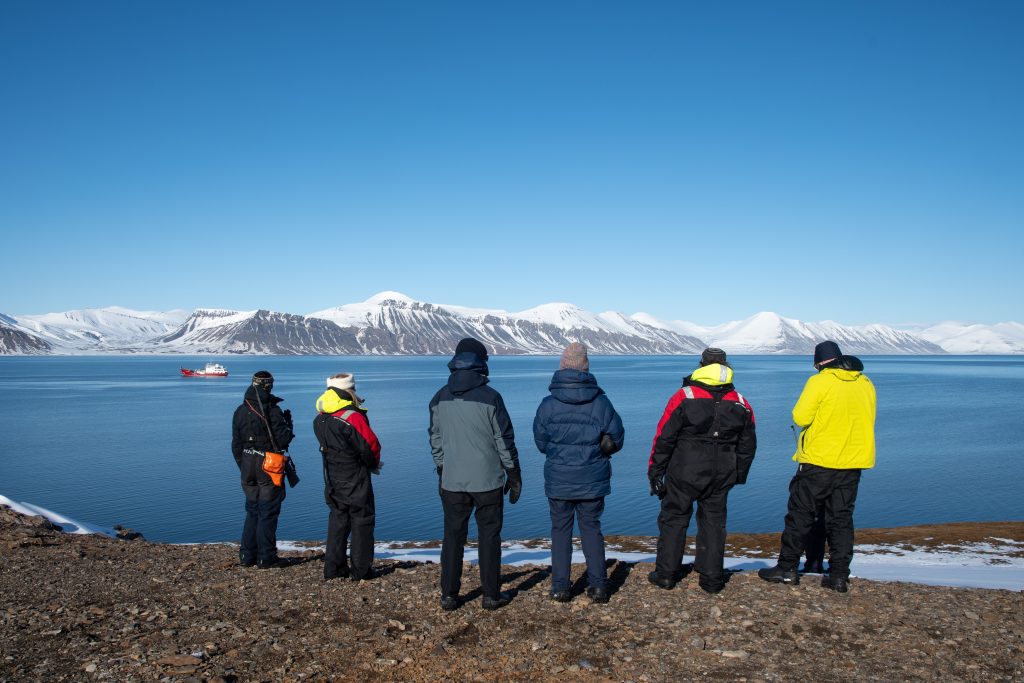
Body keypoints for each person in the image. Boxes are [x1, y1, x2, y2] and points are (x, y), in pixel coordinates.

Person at [759, 341, 876, 593]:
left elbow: (800, 417)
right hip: (853, 461)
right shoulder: (865, 383)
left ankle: (787, 568)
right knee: (841, 519)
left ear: (820, 362)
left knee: (800, 514)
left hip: (819, 461)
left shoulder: (820, 382)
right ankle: (838, 575)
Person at [647, 348, 756, 594]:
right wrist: (739, 473)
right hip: (722, 473)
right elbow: (748, 444)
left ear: (701, 365)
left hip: (684, 470)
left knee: (674, 519)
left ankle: (666, 574)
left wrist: (655, 473)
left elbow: (664, 437)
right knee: (714, 523)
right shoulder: (740, 401)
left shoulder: (684, 396)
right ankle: (712, 579)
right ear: (726, 367)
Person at [429, 338, 522, 611]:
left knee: (453, 537)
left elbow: (435, 438)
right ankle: (491, 595)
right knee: (489, 537)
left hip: (452, 481)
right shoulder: (491, 397)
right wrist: (514, 474)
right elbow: (504, 440)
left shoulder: (440, 397)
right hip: (488, 482)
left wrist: (442, 466)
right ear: (481, 363)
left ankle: (449, 595)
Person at [533, 343, 625, 603]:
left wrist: (557, 454)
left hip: (559, 478)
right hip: (592, 478)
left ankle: (560, 586)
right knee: (591, 529)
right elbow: (617, 437)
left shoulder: (548, 404)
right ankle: (598, 586)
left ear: (562, 366)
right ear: (586, 366)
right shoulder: (601, 402)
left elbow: (541, 442)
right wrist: (603, 449)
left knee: (560, 531)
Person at [313, 373, 382, 581]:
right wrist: (373, 464)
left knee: (338, 520)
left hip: (332, 476)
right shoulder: (351, 417)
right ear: (349, 390)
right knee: (362, 520)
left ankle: (333, 568)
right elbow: (371, 445)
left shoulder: (321, 418)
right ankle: (361, 570)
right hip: (355, 476)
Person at [231, 370, 295, 569]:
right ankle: (265, 557)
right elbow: (282, 440)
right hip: (267, 465)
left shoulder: (240, 410)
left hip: (247, 463)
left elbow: (235, 444)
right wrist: (288, 428)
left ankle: (246, 555)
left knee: (252, 510)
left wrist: (243, 465)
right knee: (267, 510)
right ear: (269, 385)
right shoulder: (272, 410)